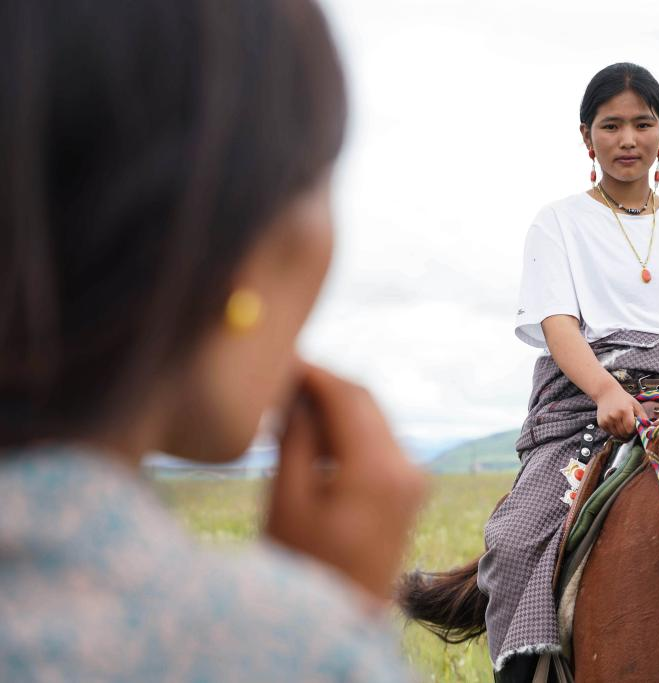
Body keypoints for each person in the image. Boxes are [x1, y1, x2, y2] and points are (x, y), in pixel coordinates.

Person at [0, 1, 425, 681]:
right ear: (244, 258)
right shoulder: (284, 652)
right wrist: (327, 628)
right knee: (526, 534)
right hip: (586, 401)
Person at [473, 62, 659, 681]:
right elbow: (557, 323)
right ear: (586, 136)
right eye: (611, 125)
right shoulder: (558, 221)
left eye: (642, 124)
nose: (627, 140)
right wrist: (604, 389)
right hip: (584, 406)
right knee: (515, 545)